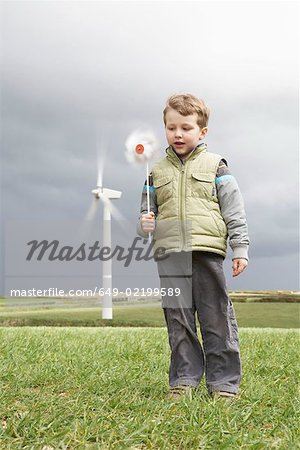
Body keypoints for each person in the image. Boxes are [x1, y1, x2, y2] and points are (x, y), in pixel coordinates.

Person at [137, 93, 249, 400]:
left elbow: (234, 211)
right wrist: (145, 223)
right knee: (179, 320)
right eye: (171, 127)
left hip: (206, 252)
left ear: (202, 132)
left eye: (185, 127)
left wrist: (240, 248)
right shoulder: (154, 172)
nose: (177, 134)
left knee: (215, 317)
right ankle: (184, 379)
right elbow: (146, 216)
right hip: (170, 255)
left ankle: (224, 383)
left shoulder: (217, 166)